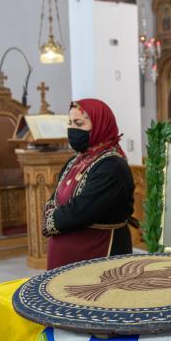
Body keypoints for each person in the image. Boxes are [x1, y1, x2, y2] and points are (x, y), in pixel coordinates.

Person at [42, 98, 135, 270]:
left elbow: (83, 209)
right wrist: (49, 210)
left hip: (99, 252)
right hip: (65, 254)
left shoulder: (112, 166)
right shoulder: (76, 160)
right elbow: (56, 195)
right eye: (70, 123)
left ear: (100, 125)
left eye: (79, 123)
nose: (72, 129)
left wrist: (52, 220)